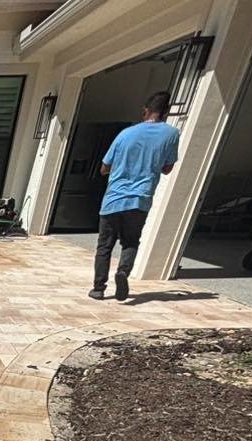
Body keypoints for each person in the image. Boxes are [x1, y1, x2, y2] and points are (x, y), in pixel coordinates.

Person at [90, 90, 179, 301]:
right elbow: (167, 168)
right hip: (141, 199)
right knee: (130, 242)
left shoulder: (125, 134)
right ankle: (123, 271)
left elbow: (104, 168)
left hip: (113, 198)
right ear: (166, 111)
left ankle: (98, 288)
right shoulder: (172, 134)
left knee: (104, 246)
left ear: (145, 111)